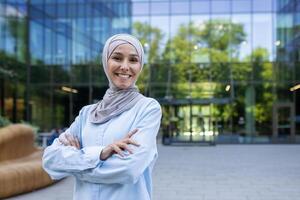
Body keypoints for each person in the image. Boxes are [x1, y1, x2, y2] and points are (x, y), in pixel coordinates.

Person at [42, 34, 162, 200]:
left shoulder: (147, 108)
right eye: (117, 58)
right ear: (106, 61)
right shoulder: (87, 113)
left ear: (140, 66)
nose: (125, 66)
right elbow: (50, 160)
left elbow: (128, 170)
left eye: (133, 60)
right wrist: (101, 153)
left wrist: (76, 166)